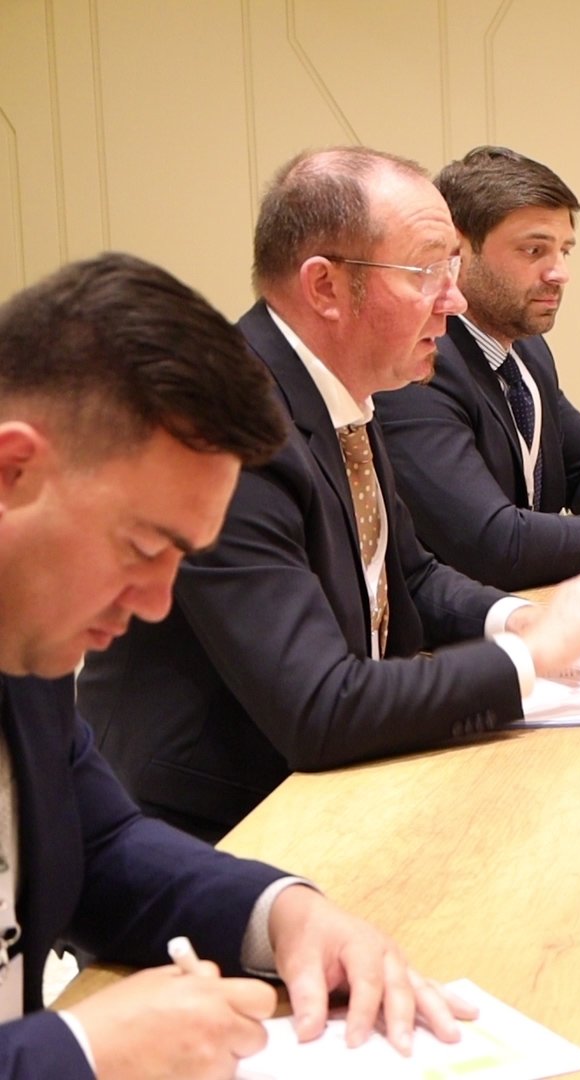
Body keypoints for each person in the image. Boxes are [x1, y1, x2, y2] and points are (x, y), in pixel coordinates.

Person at [78, 147, 580, 841]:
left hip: (323, 786)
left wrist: (521, 621)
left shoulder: (343, 386)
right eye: (426, 272)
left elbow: (408, 575)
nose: (454, 299)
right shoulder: (229, 428)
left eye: (452, 268)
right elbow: (320, 706)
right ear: (325, 286)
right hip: (211, 826)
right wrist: (529, 660)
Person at [0, 252, 473, 1073]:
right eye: (142, 547)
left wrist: (283, 913)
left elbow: (99, 844)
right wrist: (80, 1047)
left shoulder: (28, 634)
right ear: (14, 471)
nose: (157, 603)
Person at [377, 146, 580, 590]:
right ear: (457, 251)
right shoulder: (421, 364)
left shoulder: (526, 351)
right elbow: (493, 544)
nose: (559, 273)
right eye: (534, 250)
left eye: (564, 251)